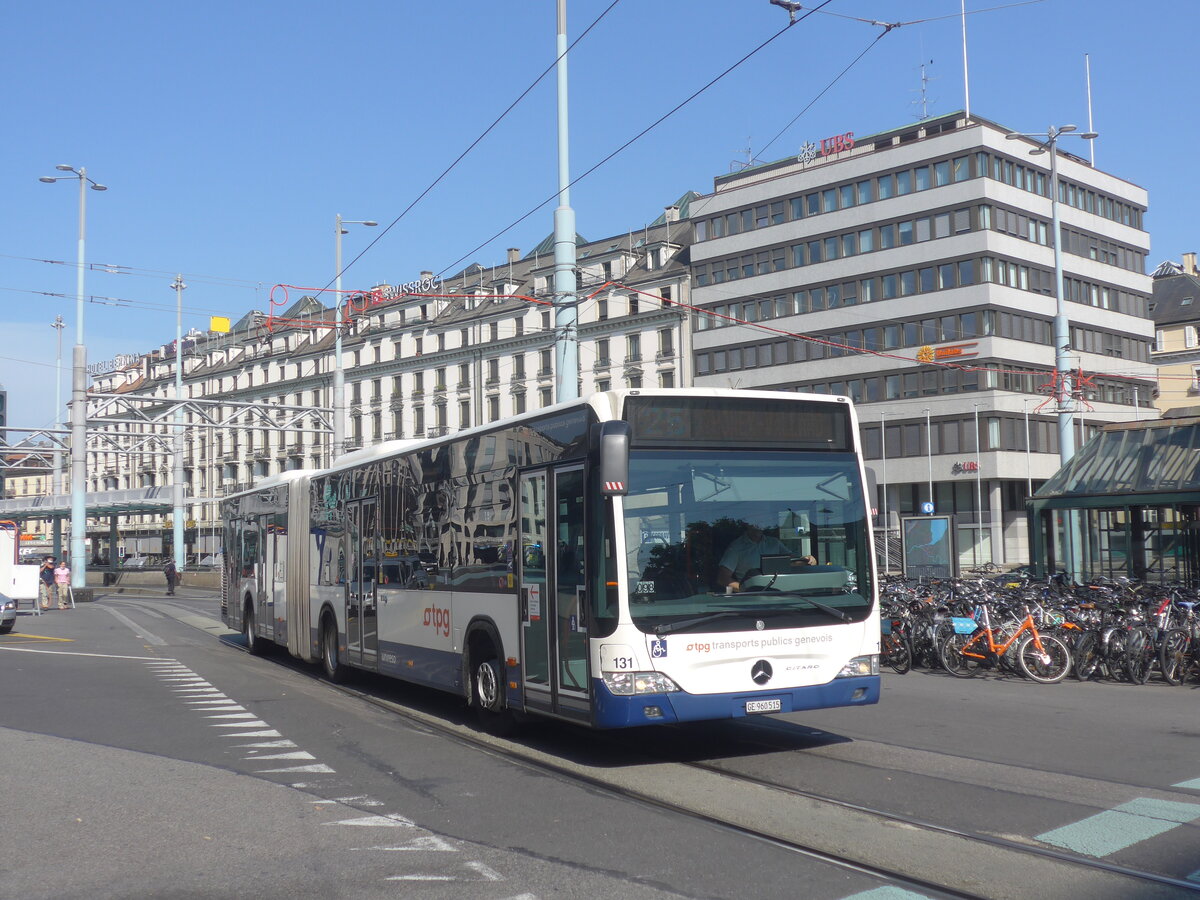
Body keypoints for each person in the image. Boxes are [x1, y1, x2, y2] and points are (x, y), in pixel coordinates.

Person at [717, 524, 803, 593]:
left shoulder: (774, 543)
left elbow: (794, 562)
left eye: (761, 520)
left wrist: (806, 560)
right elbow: (723, 578)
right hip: (751, 602)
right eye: (754, 521)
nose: (758, 524)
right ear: (746, 524)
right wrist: (747, 591)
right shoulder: (736, 547)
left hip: (781, 595)